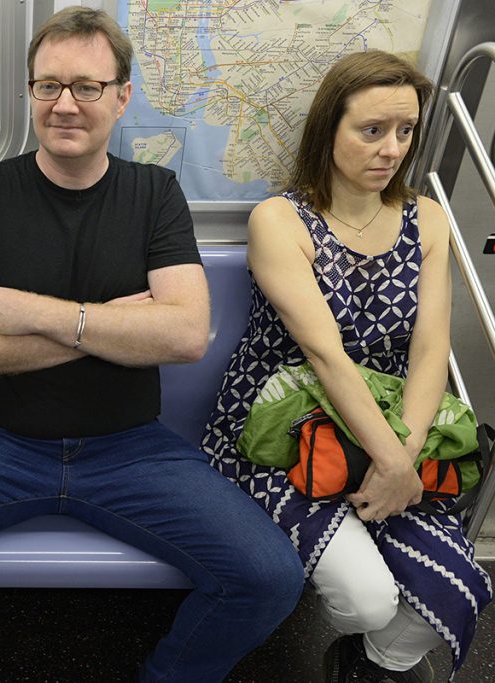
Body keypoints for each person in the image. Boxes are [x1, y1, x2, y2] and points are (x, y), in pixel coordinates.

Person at [0, 7, 306, 682]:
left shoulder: (154, 192)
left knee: (270, 575)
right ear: (31, 93)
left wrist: (30, 313)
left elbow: (187, 334)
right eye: (48, 86)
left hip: (131, 445)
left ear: (122, 96)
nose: (65, 104)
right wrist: (112, 328)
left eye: (86, 86)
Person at [201, 51, 493, 682]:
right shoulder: (281, 220)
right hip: (282, 429)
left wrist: (404, 457)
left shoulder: (427, 218)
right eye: (372, 130)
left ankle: (374, 663)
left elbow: (427, 350)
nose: (392, 149)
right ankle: (371, 631)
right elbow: (325, 356)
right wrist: (392, 462)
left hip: (392, 422)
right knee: (367, 598)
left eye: (406, 131)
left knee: (462, 585)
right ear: (328, 129)